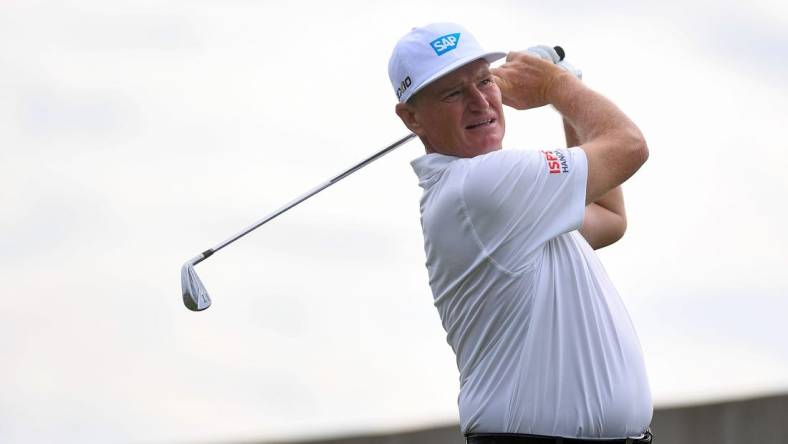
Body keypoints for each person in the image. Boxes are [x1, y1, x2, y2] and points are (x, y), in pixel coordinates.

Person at [388, 23, 653, 444]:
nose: (479, 102)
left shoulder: (509, 203)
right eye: (453, 93)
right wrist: (556, 86)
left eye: (483, 81)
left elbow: (607, 216)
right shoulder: (480, 185)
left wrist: (566, 94)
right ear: (412, 118)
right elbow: (629, 145)